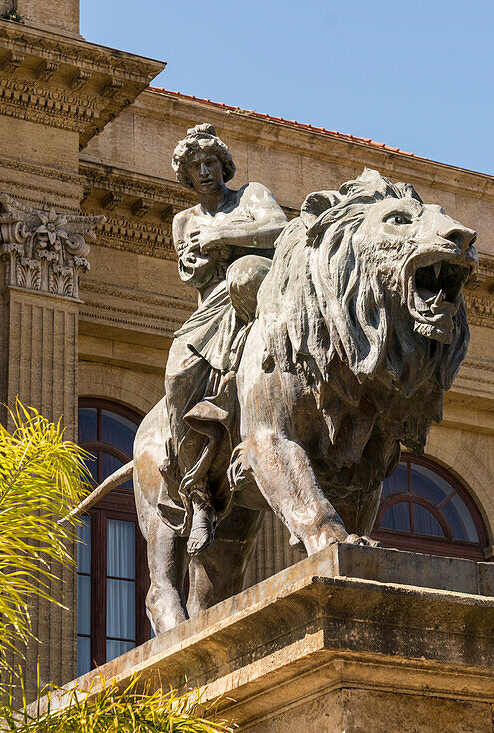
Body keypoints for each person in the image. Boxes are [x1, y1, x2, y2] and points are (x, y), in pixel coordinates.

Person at [159, 123, 286, 554]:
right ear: (187, 176)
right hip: (211, 310)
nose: (205, 172)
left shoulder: (250, 195)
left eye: (210, 162)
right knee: (177, 376)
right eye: (195, 167)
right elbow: (193, 271)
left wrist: (223, 236)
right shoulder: (183, 221)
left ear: (223, 165)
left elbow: (279, 229)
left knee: (244, 274)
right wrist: (210, 245)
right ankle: (195, 494)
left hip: (259, 295)